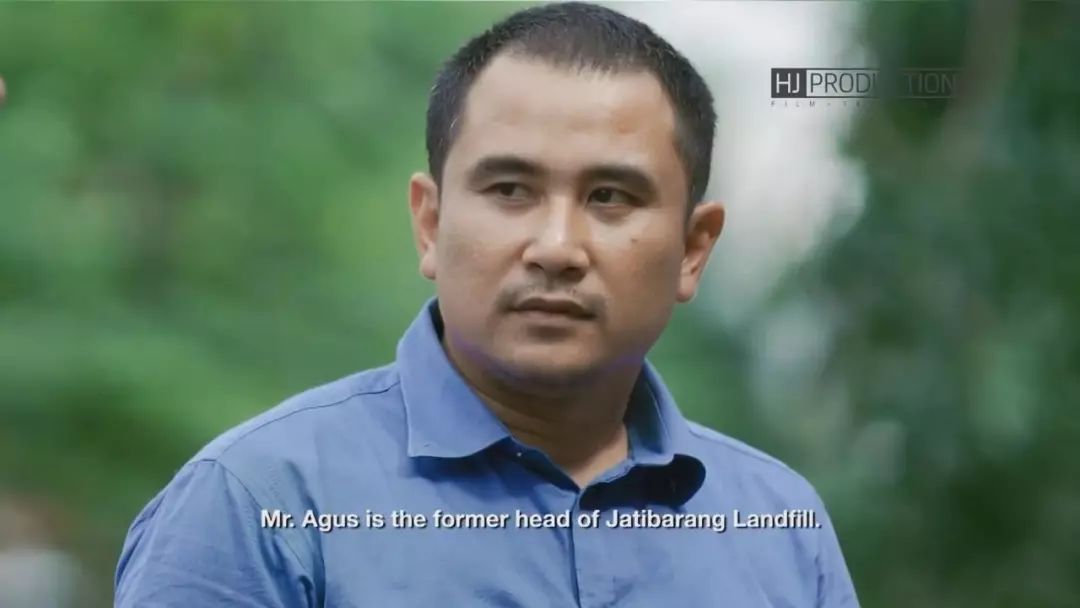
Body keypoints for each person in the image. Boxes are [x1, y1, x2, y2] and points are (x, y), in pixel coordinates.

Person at [115, 3, 860, 606]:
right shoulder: (262, 507)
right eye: (510, 190)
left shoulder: (779, 529)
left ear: (693, 249)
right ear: (430, 224)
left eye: (610, 196)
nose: (557, 247)